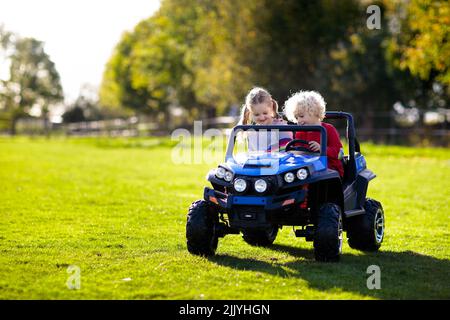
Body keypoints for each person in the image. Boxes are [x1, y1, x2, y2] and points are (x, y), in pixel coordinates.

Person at [283, 90, 344, 177]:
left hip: (329, 169)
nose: (299, 121)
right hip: (307, 169)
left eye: (301, 116)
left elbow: (338, 153)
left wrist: (321, 148)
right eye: (296, 118)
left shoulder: (328, 129)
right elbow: (298, 152)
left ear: (314, 112)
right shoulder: (300, 132)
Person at [238, 87, 292, 152]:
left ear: (271, 107)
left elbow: (286, 149)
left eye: (265, 113)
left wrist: (267, 153)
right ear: (250, 113)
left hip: (279, 161)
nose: (262, 117)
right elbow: (252, 155)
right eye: (256, 115)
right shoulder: (251, 133)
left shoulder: (282, 127)